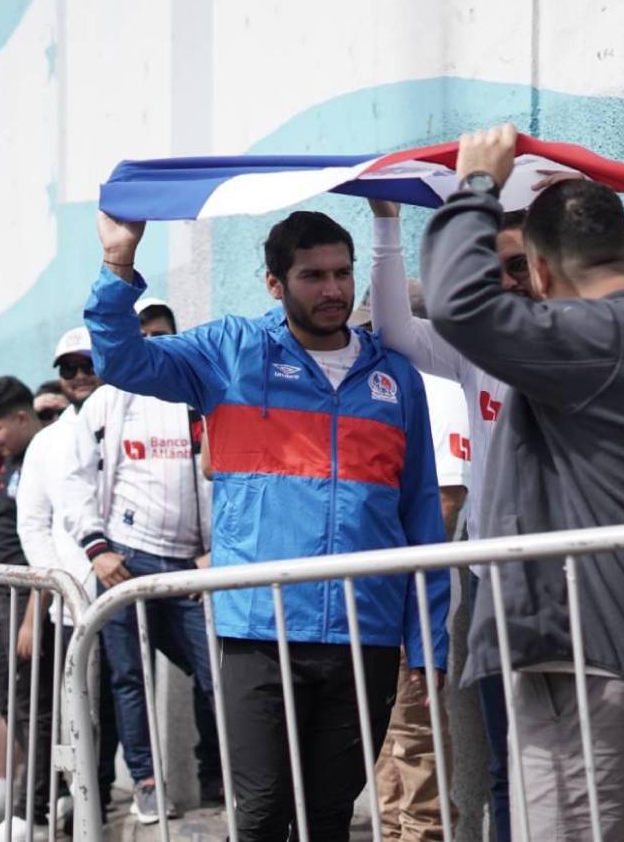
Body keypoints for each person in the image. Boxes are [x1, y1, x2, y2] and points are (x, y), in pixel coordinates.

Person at [369, 187, 624, 840]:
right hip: (586, 643)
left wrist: (473, 189)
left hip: (585, 646)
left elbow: (459, 306)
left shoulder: (606, 340)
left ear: (538, 271)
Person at [86, 207, 450, 841]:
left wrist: (427, 640)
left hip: (366, 632)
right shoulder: (230, 351)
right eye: (313, 276)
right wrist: (119, 262)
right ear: (274, 284)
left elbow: (420, 512)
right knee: (260, 816)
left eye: (342, 273)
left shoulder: (394, 377)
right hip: (261, 630)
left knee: (329, 819)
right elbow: (121, 361)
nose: (333, 290)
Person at [63, 297, 222, 824]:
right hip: (125, 561)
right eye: (144, 334)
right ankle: (147, 782)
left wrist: (211, 551)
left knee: (215, 670)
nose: (153, 343)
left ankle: (223, 776)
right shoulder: (109, 400)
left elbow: (217, 479)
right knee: (130, 679)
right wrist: (97, 548)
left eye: (162, 334)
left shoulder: (192, 398)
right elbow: (77, 480)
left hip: (185, 568)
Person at [351, 286, 469, 840]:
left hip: (406, 604)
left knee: (413, 746)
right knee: (388, 749)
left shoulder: (429, 387)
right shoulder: (405, 386)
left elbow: (444, 503)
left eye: (373, 329)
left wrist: (403, 598)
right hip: (386, 601)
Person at [16, 327, 120, 825]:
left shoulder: (130, 417)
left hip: (126, 596)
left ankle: (100, 803)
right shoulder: (47, 443)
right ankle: (72, 807)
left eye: (87, 364)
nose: (79, 375)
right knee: (70, 710)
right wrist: (59, 580)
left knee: (119, 704)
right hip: (70, 602)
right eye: (68, 368)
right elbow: (32, 524)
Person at [0, 376, 57, 840]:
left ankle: (36, 809)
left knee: (31, 704)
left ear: (22, 418)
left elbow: (45, 541)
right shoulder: (10, 458)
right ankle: (52, 788)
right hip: (8, 591)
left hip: (32, 592)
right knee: (8, 698)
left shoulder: (42, 457)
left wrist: (33, 612)